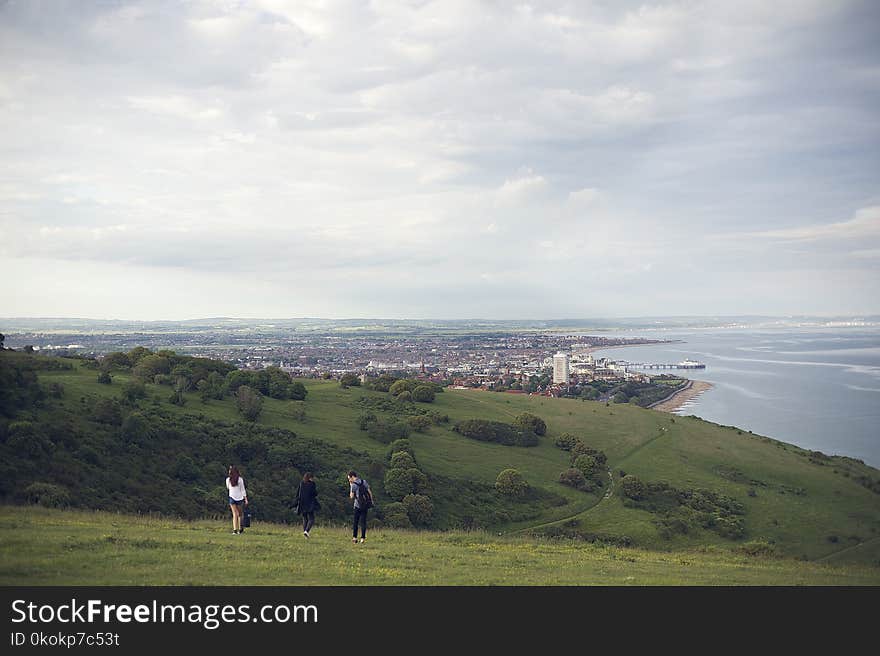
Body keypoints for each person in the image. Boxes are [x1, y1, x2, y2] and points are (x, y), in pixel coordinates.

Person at [347, 470, 372, 544]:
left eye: (349, 478)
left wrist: (350, 485)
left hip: (357, 505)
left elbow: (351, 496)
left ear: (352, 477)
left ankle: (354, 538)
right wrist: (371, 501)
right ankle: (362, 539)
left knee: (356, 522)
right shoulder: (363, 481)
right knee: (363, 522)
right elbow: (369, 492)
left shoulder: (353, 485)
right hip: (365, 505)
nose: (349, 480)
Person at [294, 472, 320, 538]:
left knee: (305, 518)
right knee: (311, 518)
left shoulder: (301, 483)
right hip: (309, 504)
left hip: (302, 503)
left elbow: (298, 493)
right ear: (310, 478)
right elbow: (314, 493)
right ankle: (306, 531)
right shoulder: (312, 484)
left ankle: (305, 533)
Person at [226, 465, 248, 534]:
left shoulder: (228, 480)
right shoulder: (240, 479)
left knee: (234, 514)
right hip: (239, 498)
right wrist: (246, 499)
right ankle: (240, 529)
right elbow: (243, 490)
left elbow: (228, 488)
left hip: (231, 497)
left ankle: (235, 530)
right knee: (240, 514)